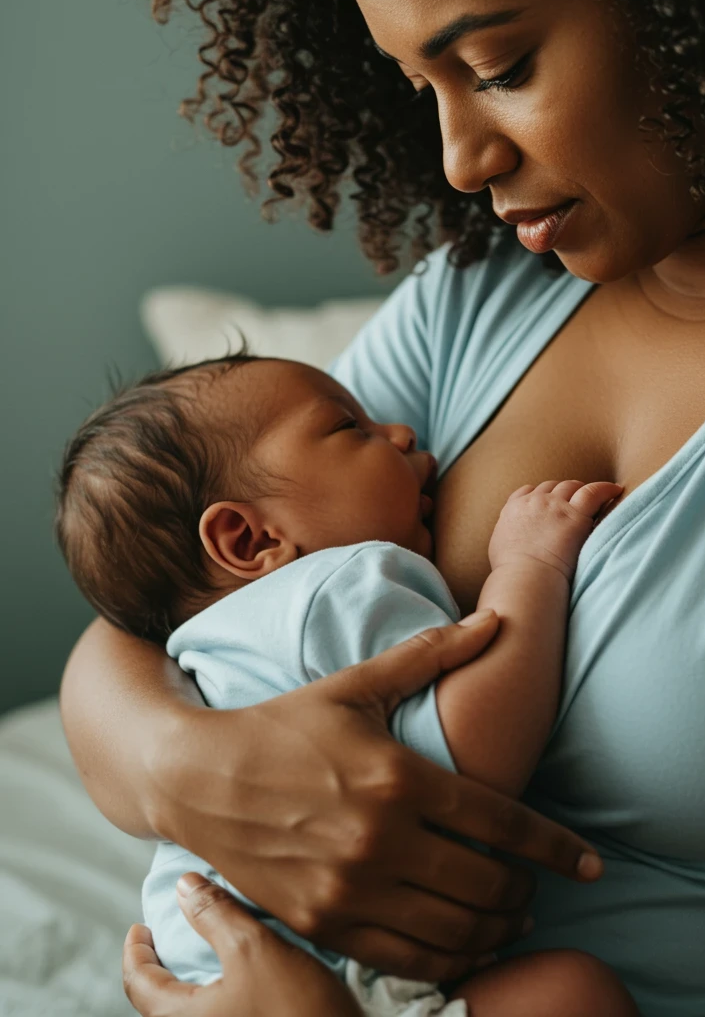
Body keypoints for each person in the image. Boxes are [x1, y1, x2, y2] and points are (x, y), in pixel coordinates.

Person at [60, 0, 705, 1013]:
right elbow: (167, 603)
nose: (456, 158)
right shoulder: (478, 304)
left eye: (498, 66)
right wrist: (182, 766)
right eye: (419, 87)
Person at [54, 351, 635, 1015]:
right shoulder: (340, 583)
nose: (402, 434)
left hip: (220, 973)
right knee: (571, 996)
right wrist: (529, 567)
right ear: (247, 538)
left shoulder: (206, 645)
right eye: (349, 428)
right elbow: (472, 757)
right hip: (315, 973)